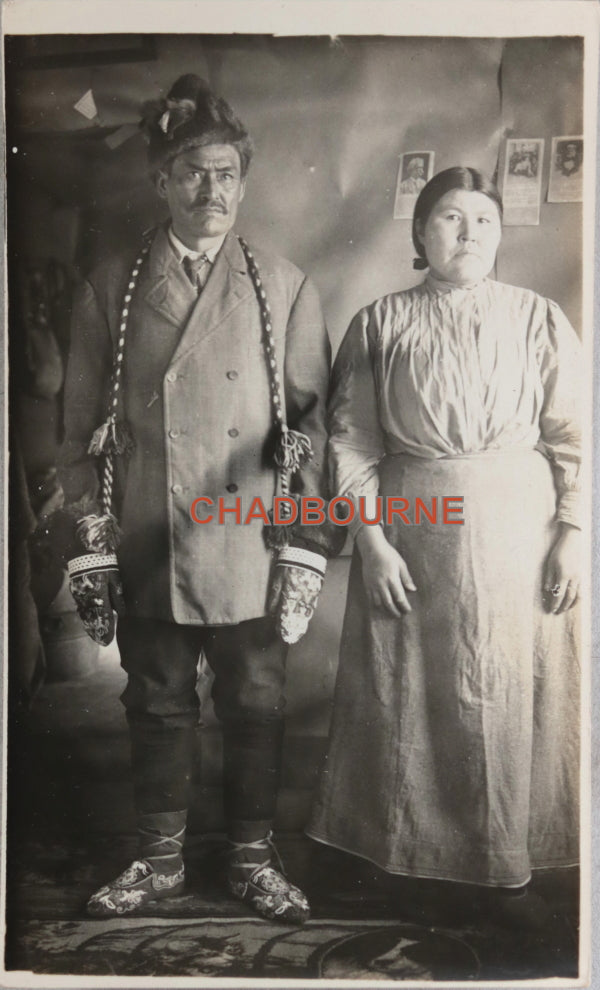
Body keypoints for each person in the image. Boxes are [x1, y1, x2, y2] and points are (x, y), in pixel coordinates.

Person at [53, 73, 339, 923]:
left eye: (224, 174)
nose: (210, 190)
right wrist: (87, 535)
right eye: (191, 173)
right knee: (157, 699)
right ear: (161, 184)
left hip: (247, 535)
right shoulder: (113, 282)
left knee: (257, 699)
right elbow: (75, 427)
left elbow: (312, 425)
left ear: (242, 183)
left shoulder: (281, 284)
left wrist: (303, 538)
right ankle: (160, 862)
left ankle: (254, 861)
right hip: (149, 532)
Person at [308, 167, 581, 919]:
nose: (467, 234)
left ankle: (510, 856)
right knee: (409, 692)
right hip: (411, 531)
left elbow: (574, 437)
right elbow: (352, 441)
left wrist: (574, 533)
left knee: (508, 690)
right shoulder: (379, 321)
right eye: (450, 219)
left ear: (499, 235)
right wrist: (371, 541)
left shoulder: (538, 318)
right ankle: (407, 858)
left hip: (518, 534)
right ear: (420, 237)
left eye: (483, 221)